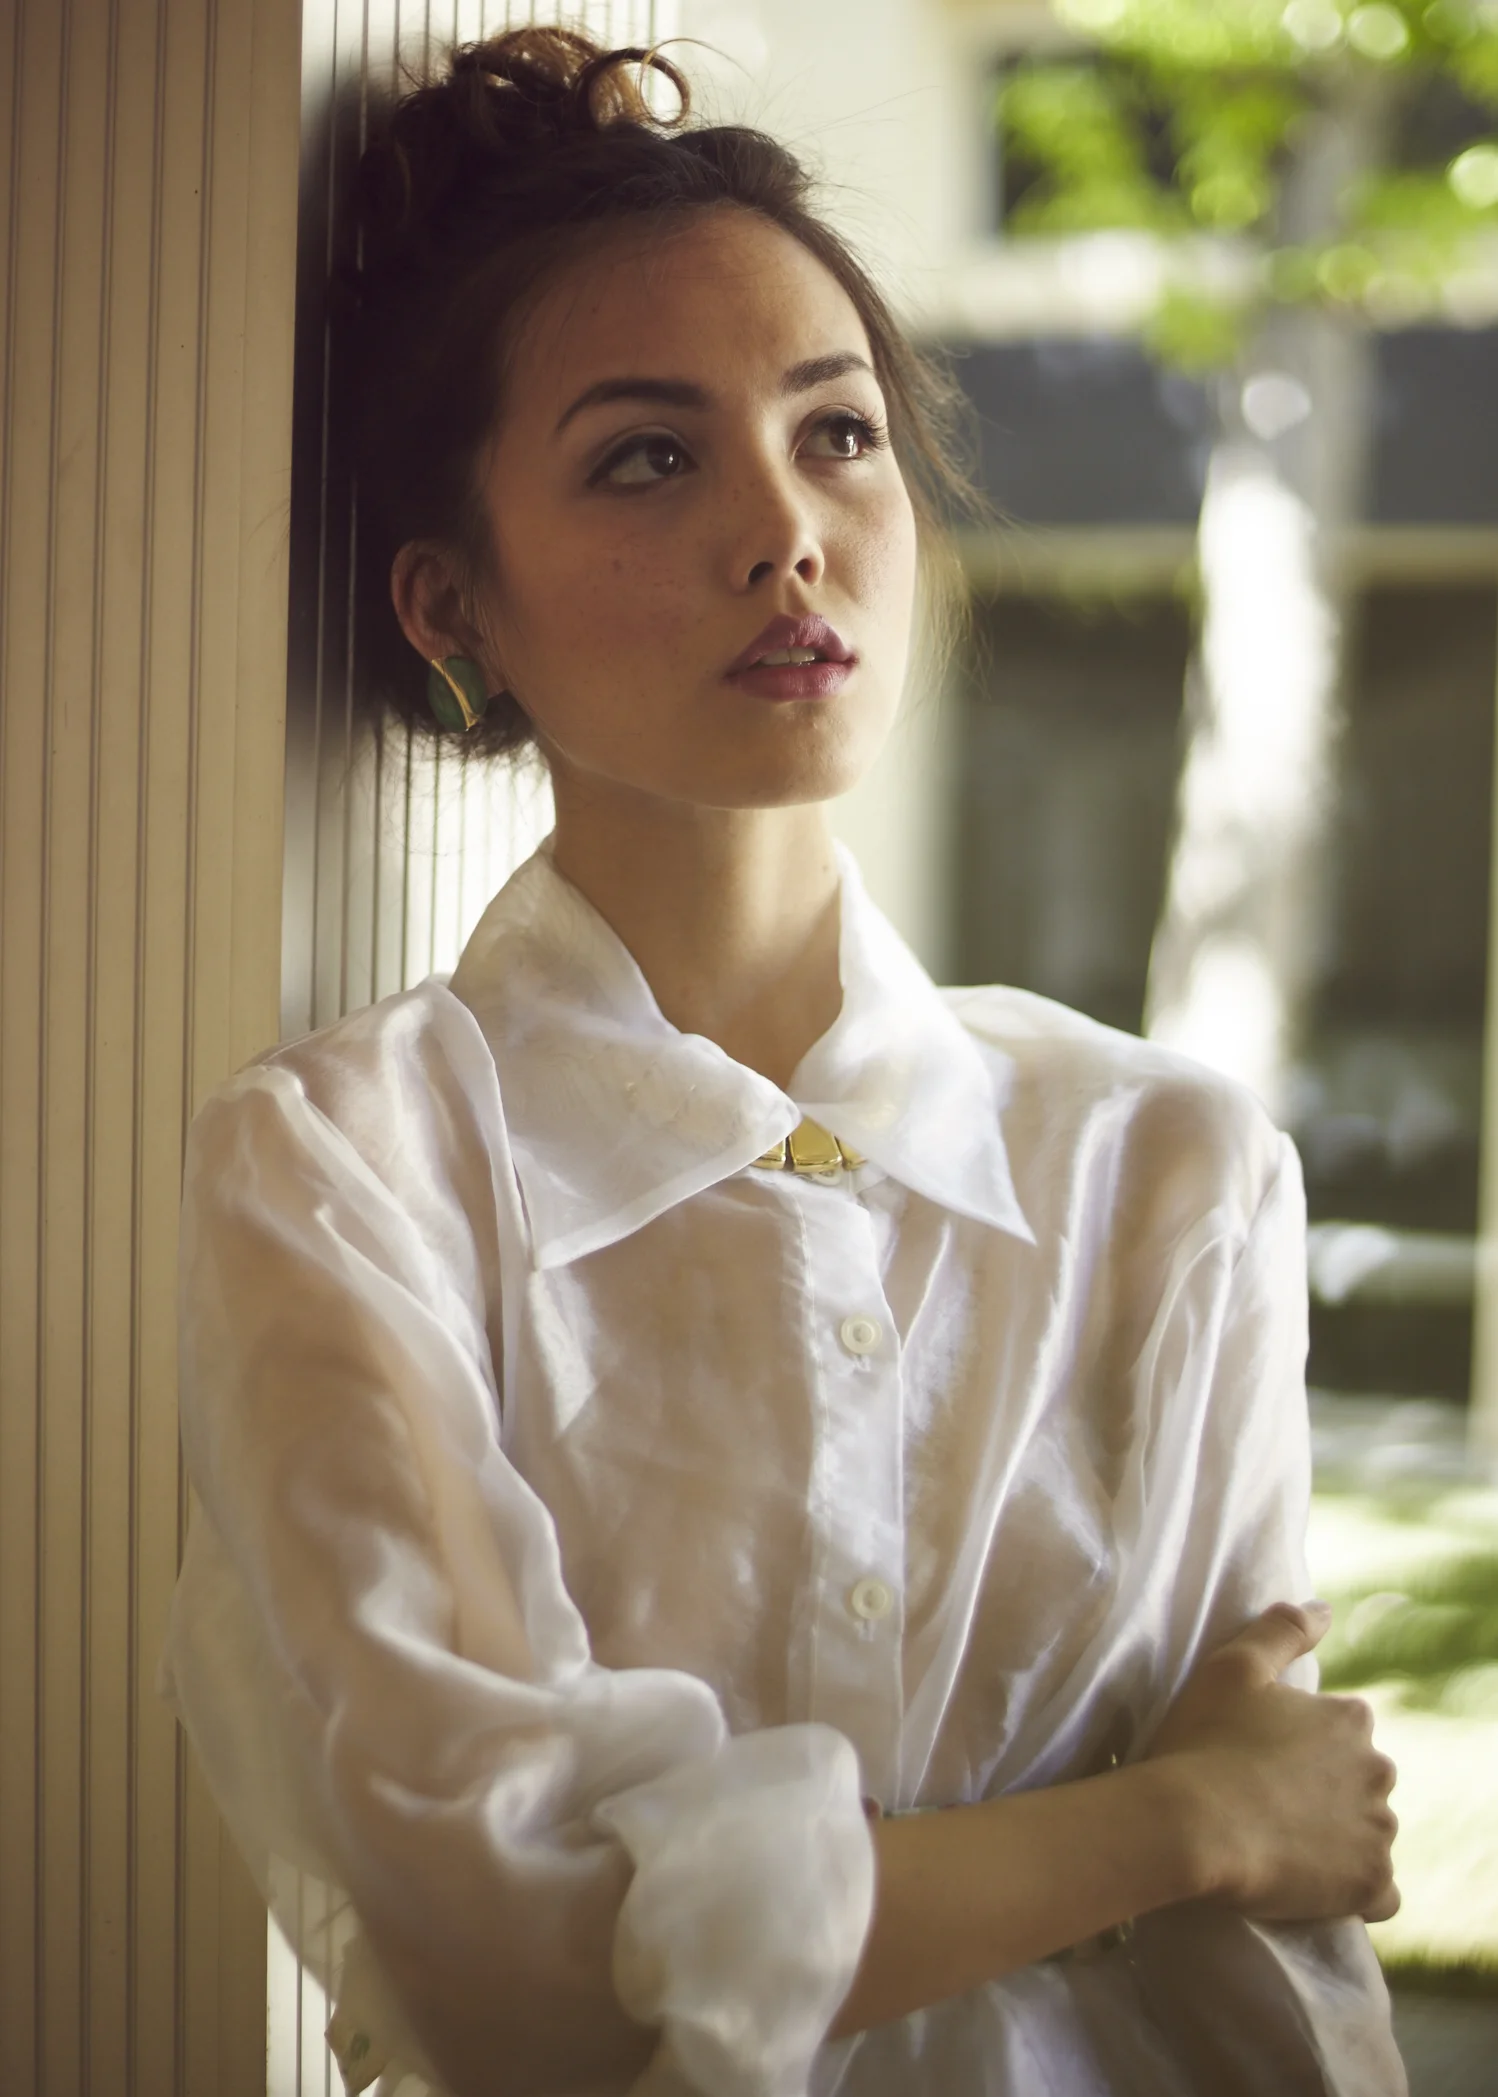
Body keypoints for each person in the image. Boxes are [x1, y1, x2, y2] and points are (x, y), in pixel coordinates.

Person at [159, 28, 1406, 2097]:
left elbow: (1265, 1991)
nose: (785, 530)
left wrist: (1159, 1851)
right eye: (649, 456)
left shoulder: (1166, 1168)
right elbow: (525, 1951)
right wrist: (1165, 1823)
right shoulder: (341, 1164)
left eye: (835, 434)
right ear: (449, 601)